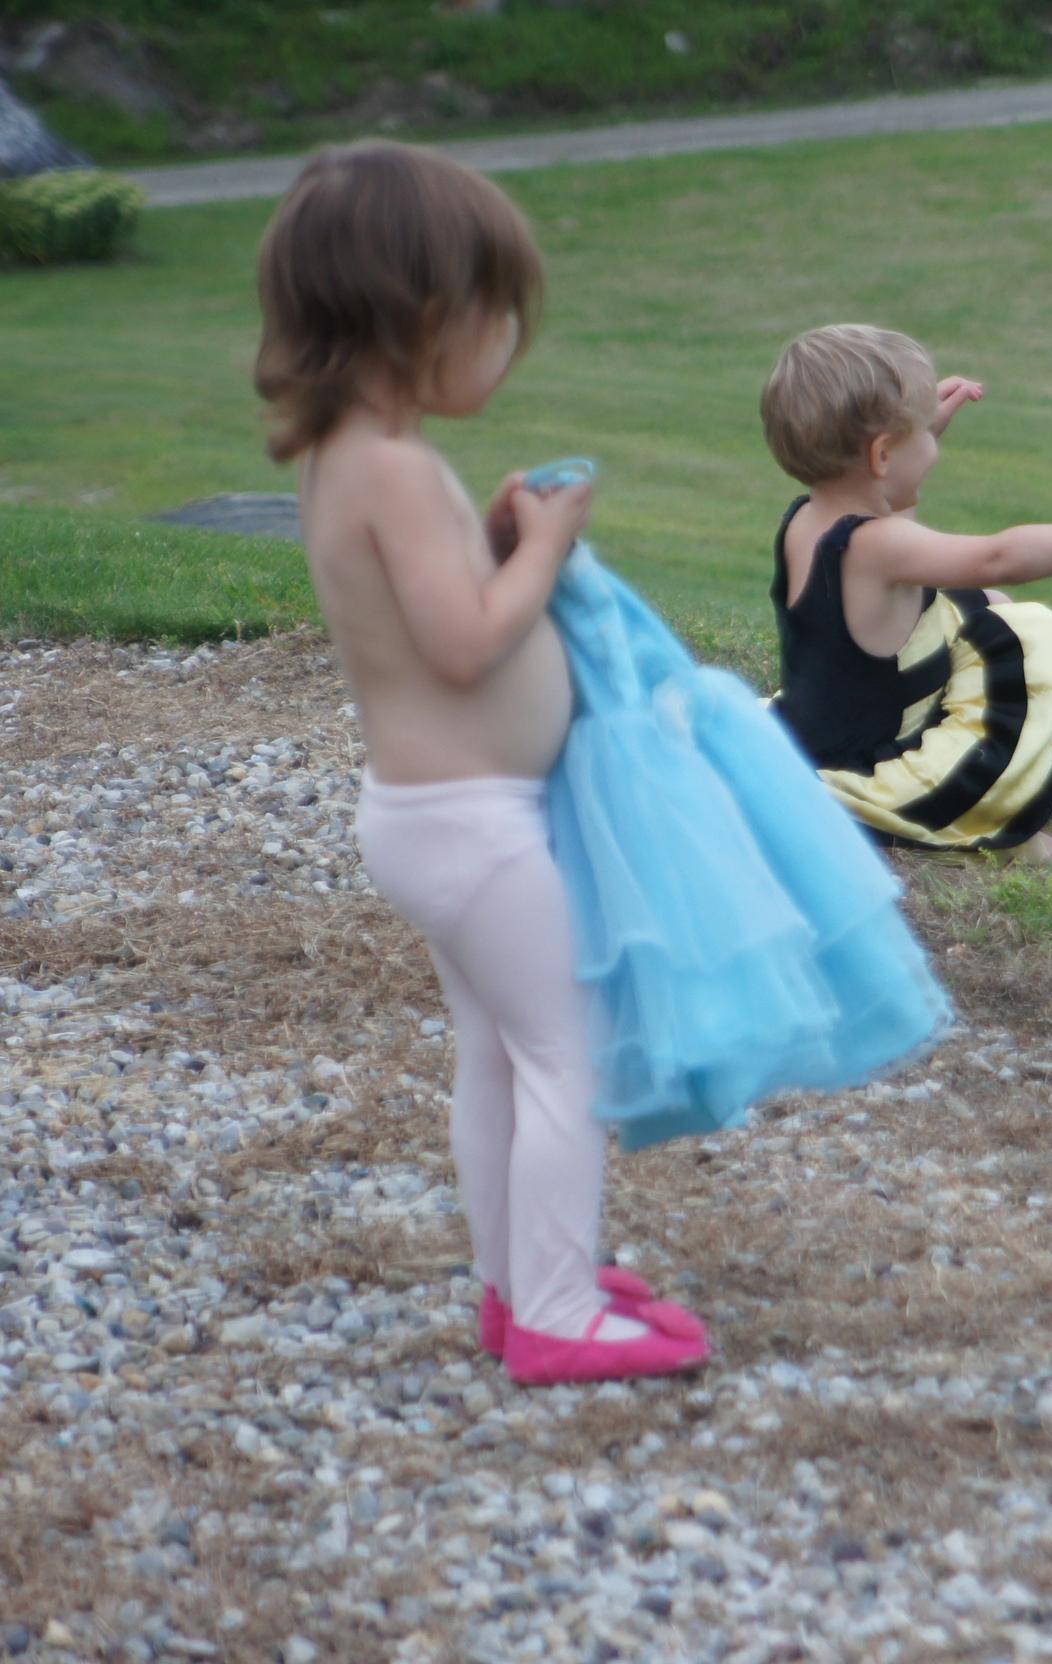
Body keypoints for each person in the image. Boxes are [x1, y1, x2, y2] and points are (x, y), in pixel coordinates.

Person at [255, 140, 706, 1386]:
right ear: (425, 315)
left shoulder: (351, 460)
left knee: (502, 1053)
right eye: (500, 312)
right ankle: (558, 1313)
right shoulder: (393, 469)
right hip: (476, 825)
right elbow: (463, 644)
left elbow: (435, 606)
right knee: (569, 1055)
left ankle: (519, 1287)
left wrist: (500, 536)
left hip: (434, 819)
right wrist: (547, 547)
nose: (512, 340)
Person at [761, 324, 1052, 867]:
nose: (934, 446)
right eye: (923, 434)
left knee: (979, 604)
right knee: (1036, 642)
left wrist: (923, 432)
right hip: (871, 768)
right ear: (880, 456)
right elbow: (1001, 557)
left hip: (814, 733)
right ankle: (1001, 827)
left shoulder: (809, 519)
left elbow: (894, 517)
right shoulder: (877, 545)